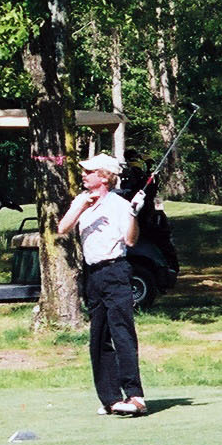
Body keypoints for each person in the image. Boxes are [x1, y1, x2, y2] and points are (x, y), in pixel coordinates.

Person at [59, 153, 148, 415]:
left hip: (115, 271)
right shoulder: (81, 200)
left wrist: (133, 214)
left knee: (121, 333)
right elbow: (63, 227)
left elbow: (130, 241)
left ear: (104, 177)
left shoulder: (119, 205)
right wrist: (82, 206)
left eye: (90, 172)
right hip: (93, 275)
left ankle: (135, 396)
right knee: (98, 337)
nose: (84, 175)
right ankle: (110, 398)